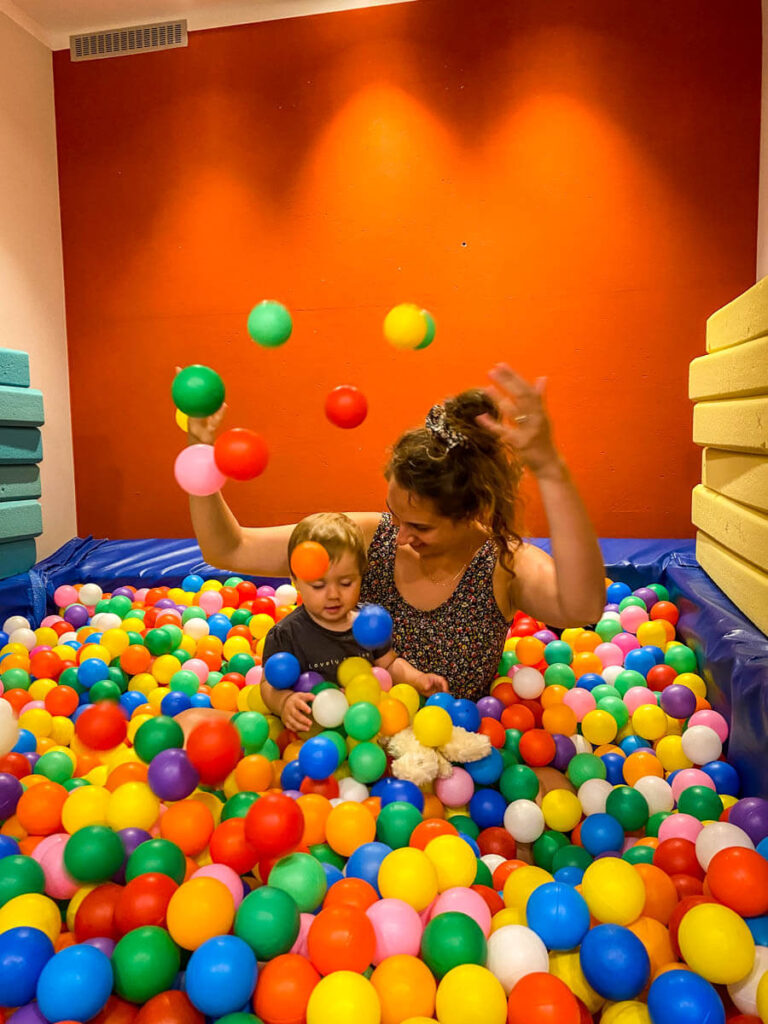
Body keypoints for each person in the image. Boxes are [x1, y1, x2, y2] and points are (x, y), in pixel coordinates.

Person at [185, 364, 605, 701]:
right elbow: (230, 549)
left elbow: (583, 607)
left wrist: (550, 470)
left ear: (471, 511)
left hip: (454, 764)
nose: (400, 537)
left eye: (421, 527)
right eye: (395, 516)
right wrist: (199, 454)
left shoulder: (503, 565)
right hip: (343, 742)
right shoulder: (367, 539)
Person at [260, 511, 448, 731]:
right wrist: (284, 702)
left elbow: (389, 664)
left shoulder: (369, 624)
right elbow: (267, 685)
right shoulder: (286, 634)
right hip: (312, 733)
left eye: (346, 583)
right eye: (318, 586)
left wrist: (418, 679)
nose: (333, 595)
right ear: (295, 581)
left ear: (361, 575)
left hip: (365, 726)